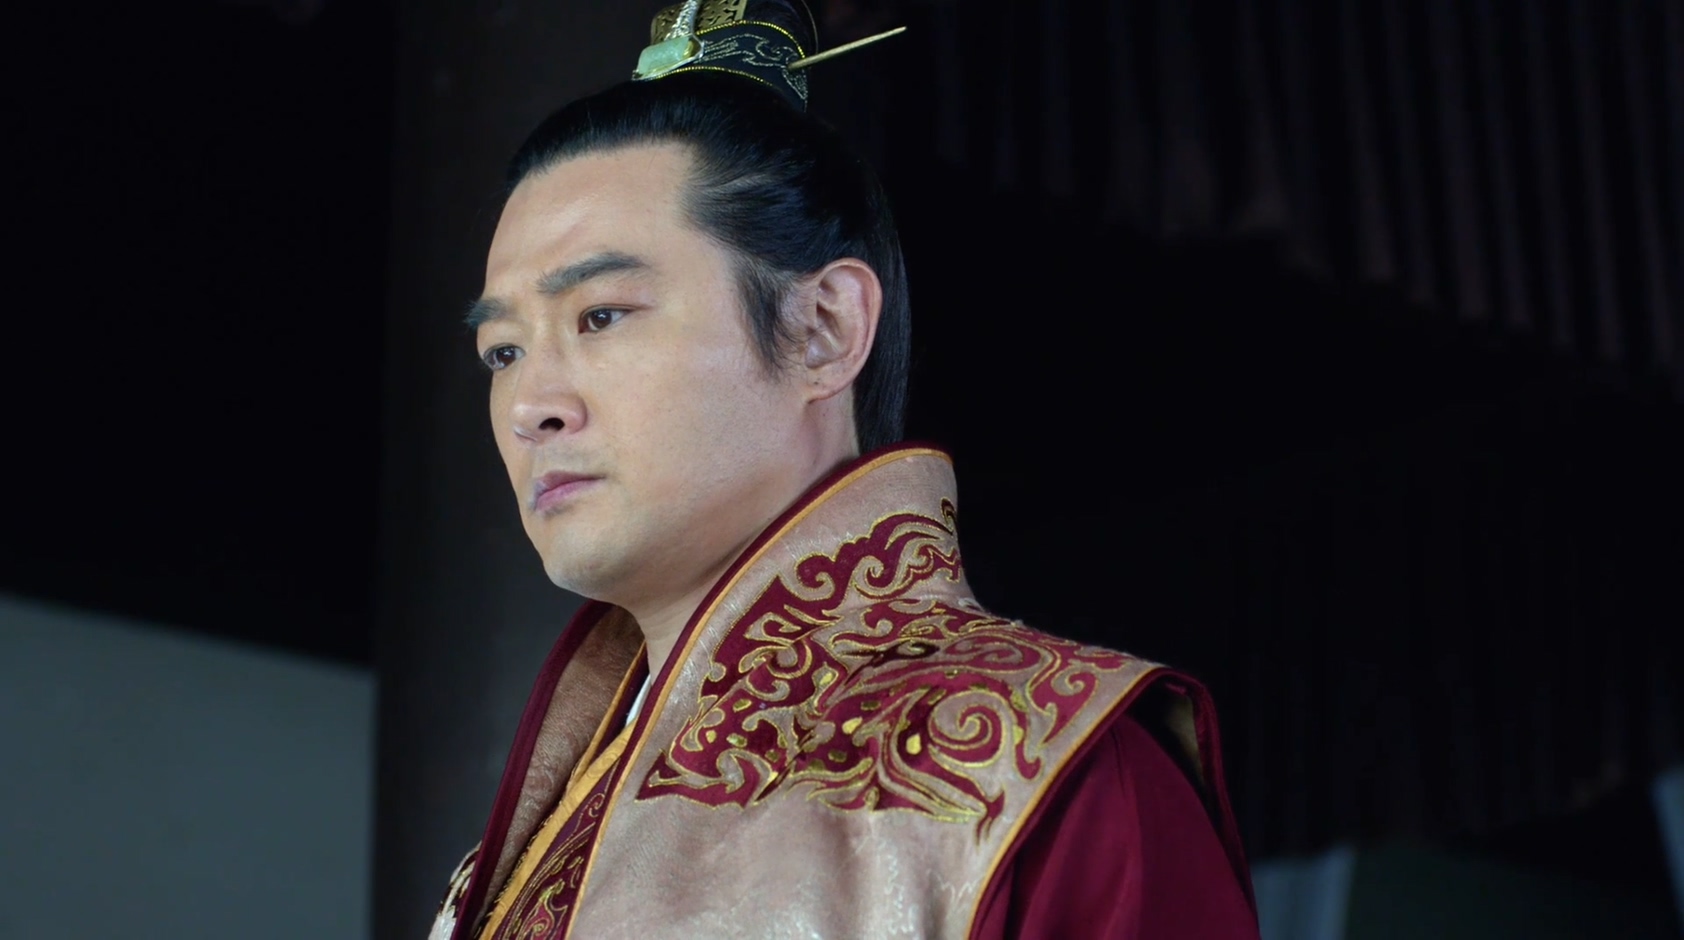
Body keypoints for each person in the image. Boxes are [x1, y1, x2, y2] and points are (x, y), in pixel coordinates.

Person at [430, 2, 1259, 937]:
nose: (531, 404)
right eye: (503, 351)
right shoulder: (515, 864)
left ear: (823, 328)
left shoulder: (1041, 778)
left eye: (601, 316)